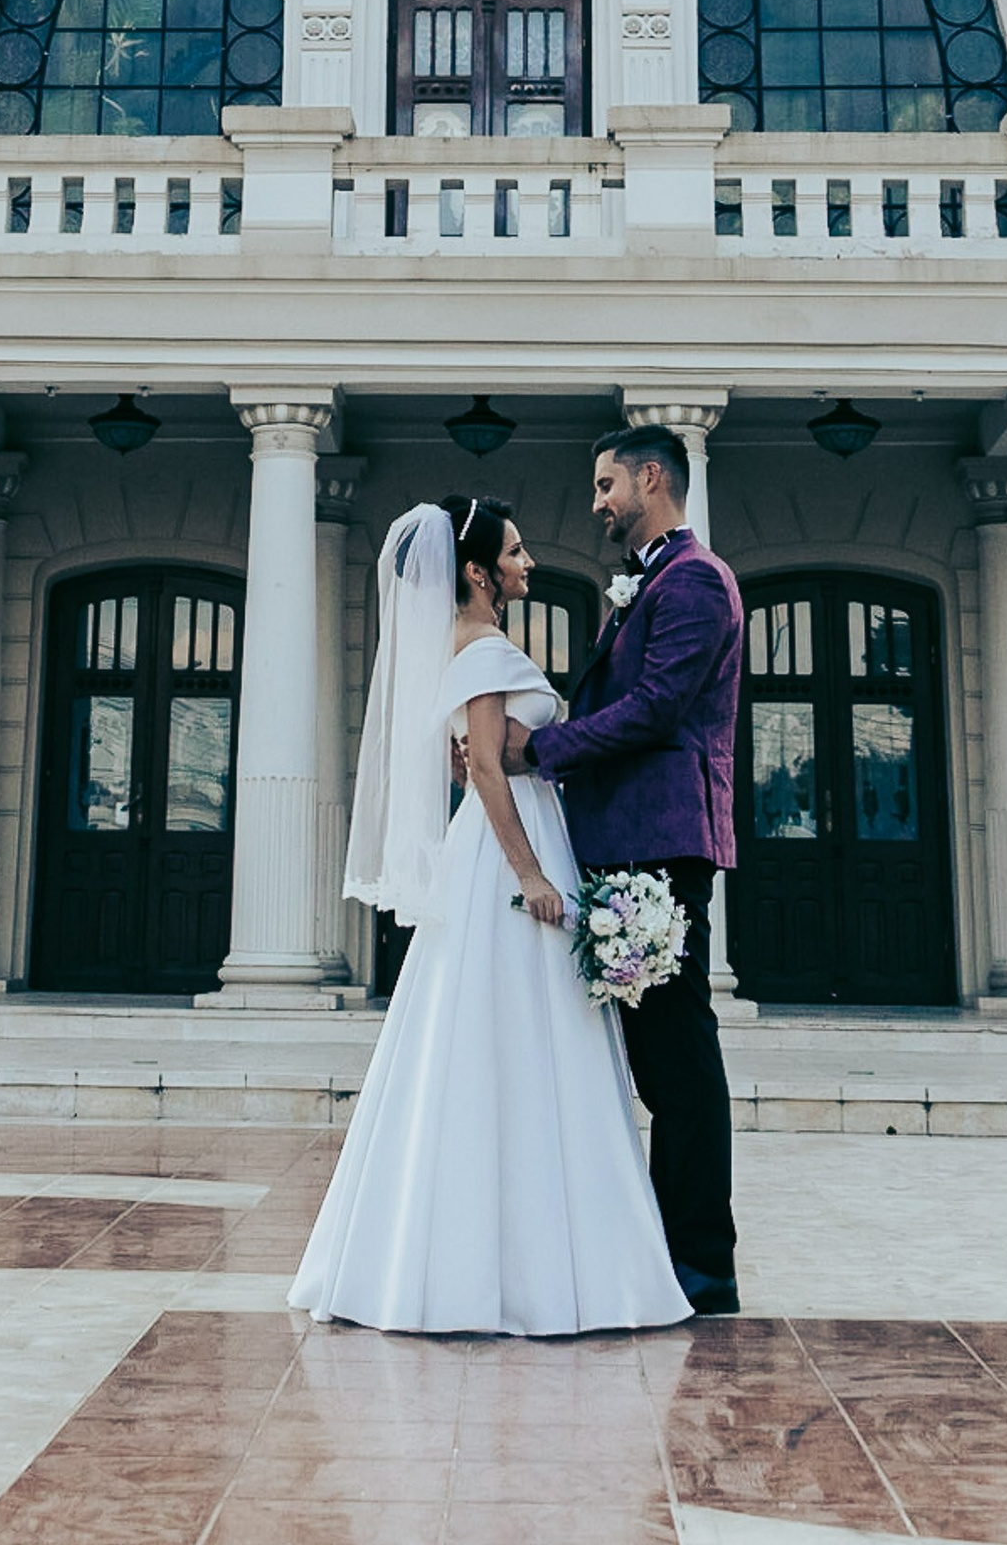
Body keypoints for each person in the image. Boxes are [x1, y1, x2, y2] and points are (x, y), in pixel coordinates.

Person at [288, 491, 691, 1338]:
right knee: (515, 1041)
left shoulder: (469, 647)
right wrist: (534, 875)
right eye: (514, 552)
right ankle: (522, 1266)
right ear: (477, 571)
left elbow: (473, 762)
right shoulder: (484, 651)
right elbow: (484, 774)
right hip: (509, 857)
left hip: (510, 842)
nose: (527, 563)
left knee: (521, 1041)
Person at [504, 423, 744, 1316]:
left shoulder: (694, 583)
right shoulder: (650, 584)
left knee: (679, 1059)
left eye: (607, 484)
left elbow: (652, 711)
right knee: (658, 1063)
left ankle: (704, 1265)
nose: (598, 502)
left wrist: (541, 750)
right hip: (624, 844)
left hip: (661, 846)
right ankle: (669, 1251)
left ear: (653, 478)